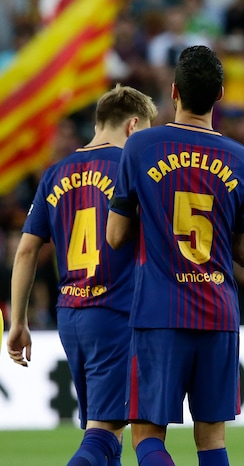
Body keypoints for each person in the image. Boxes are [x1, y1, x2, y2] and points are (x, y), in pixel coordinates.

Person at [106, 45, 244, 466]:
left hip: (159, 310)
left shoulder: (140, 148)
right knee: (211, 439)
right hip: (218, 311)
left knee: (147, 435)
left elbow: (115, 235)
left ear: (173, 91)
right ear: (221, 95)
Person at [7, 84, 157, 465]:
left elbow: (26, 250)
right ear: (133, 126)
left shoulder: (55, 173)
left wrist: (18, 322)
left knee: (107, 431)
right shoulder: (130, 169)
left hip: (71, 315)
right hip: (116, 312)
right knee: (103, 434)